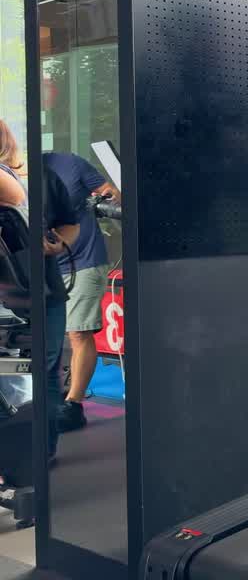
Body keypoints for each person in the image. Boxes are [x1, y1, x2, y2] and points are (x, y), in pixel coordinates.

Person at [0, 120, 81, 459]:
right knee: (23, 373)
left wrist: (59, 244)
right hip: (15, 294)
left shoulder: (37, 178)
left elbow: (70, 224)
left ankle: (40, 450)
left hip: (40, 290)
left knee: (42, 372)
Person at [45, 151, 118, 432]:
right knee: (51, 336)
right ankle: (54, 397)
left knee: (78, 332)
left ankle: (73, 405)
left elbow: (109, 192)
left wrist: (109, 196)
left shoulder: (70, 163)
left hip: (84, 261)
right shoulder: (14, 177)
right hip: (44, 267)